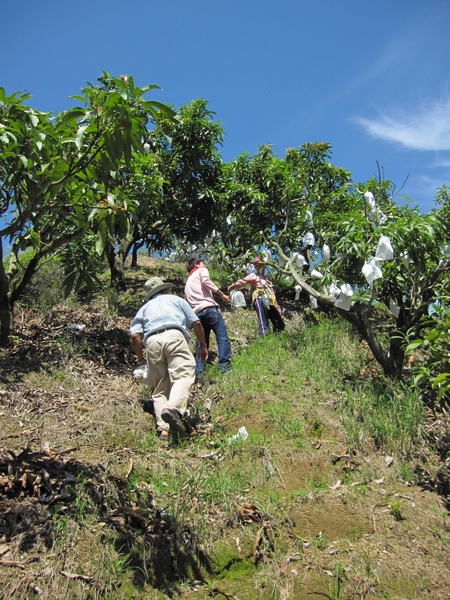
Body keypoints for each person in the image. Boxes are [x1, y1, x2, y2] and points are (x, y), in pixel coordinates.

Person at [130, 276, 208, 440]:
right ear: (165, 289)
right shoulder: (176, 300)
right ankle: (173, 409)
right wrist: (203, 345)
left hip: (151, 342)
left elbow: (136, 336)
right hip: (174, 335)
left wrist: (140, 359)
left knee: (159, 385)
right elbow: (197, 323)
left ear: (150, 294)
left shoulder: (144, 308)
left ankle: (164, 430)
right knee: (183, 374)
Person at [184, 257, 232, 379]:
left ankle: (199, 372)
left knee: (202, 343)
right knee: (222, 337)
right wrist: (222, 295)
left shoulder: (188, 282)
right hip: (210, 309)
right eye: (203, 264)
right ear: (197, 265)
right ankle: (224, 366)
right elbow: (206, 281)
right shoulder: (201, 271)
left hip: (197, 314)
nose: (205, 266)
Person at [228, 257, 285, 336]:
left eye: (261, 265)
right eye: (258, 265)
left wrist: (278, 309)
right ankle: (264, 336)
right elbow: (243, 281)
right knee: (262, 317)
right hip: (259, 297)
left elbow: (272, 295)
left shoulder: (266, 280)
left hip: (269, 300)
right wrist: (232, 286)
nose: (260, 267)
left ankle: (278, 335)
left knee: (278, 321)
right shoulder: (253, 276)